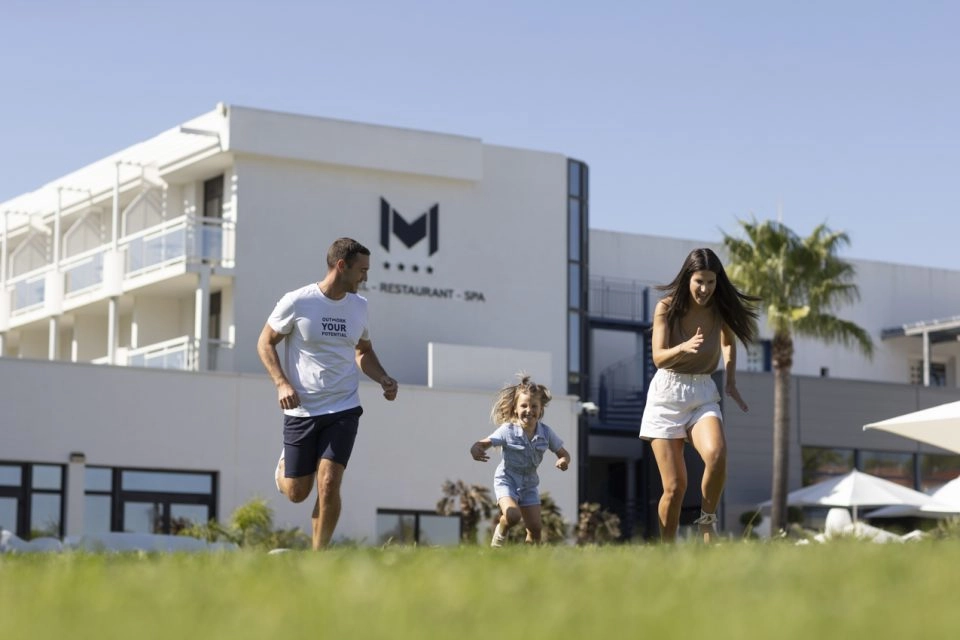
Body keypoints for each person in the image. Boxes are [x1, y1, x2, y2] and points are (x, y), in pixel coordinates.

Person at [257, 237, 398, 550]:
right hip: (302, 410)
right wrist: (281, 382)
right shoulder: (298, 301)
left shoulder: (359, 307)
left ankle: (318, 558)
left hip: (344, 407)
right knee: (297, 492)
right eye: (362, 270)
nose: (365, 277)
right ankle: (285, 466)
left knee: (330, 482)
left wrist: (383, 377)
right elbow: (265, 342)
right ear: (341, 266)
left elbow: (363, 352)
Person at [639, 247, 759, 543]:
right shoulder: (666, 306)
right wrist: (683, 347)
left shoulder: (720, 309)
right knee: (676, 487)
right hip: (666, 394)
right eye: (699, 282)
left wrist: (729, 380)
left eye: (711, 282)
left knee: (717, 454)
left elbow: (728, 343)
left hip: (703, 391)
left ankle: (707, 523)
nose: (705, 289)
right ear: (687, 279)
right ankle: (667, 551)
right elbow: (658, 357)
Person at [470, 374, 571, 546]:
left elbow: (564, 453)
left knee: (535, 529)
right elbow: (483, 443)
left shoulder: (546, 433)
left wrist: (563, 461)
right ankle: (498, 540)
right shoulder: (507, 430)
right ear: (515, 409)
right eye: (523, 406)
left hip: (529, 484)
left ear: (540, 410)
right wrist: (476, 449)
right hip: (507, 480)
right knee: (512, 516)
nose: (529, 410)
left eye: (534, 406)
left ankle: (530, 560)